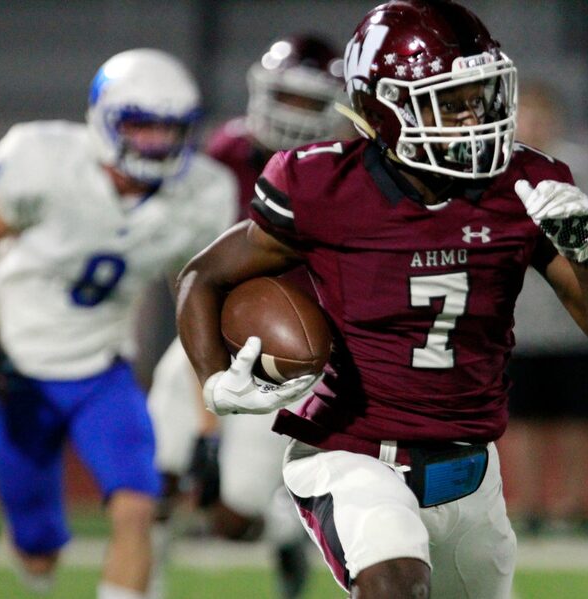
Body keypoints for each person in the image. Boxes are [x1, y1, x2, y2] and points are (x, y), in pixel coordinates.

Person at [176, 1, 588, 597]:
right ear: (385, 108)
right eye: (452, 101)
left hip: (470, 467)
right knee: (395, 586)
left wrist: (585, 256)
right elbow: (202, 275)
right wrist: (213, 380)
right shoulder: (323, 184)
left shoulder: (524, 184)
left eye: (480, 95)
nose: (475, 115)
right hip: (351, 452)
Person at [0, 48, 237, 598]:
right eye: (141, 124)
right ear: (105, 119)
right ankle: (37, 560)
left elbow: (196, 315)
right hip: (19, 372)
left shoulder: (199, 195)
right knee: (37, 553)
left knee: (137, 508)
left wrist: (210, 431)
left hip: (104, 373)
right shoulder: (45, 162)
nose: (156, 142)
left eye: (169, 128)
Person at [146, 34, 347, 599]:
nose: (295, 112)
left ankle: (285, 530)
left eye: (311, 101)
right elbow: (192, 271)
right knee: (153, 477)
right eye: (287, 96)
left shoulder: (346, 171)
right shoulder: (224, 153)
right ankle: (140, 584)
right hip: (209, 333)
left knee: (232, 520)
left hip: (287, 356)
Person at [496, 79, 588, 535]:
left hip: (573, 319)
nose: (536, 123)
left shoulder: (573, 164)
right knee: (522, 419)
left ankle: (578, 503)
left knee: (577, 418)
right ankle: (528, 506)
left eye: (544, 114)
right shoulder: (498, 168)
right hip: (517, 321)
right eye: (528, 114)